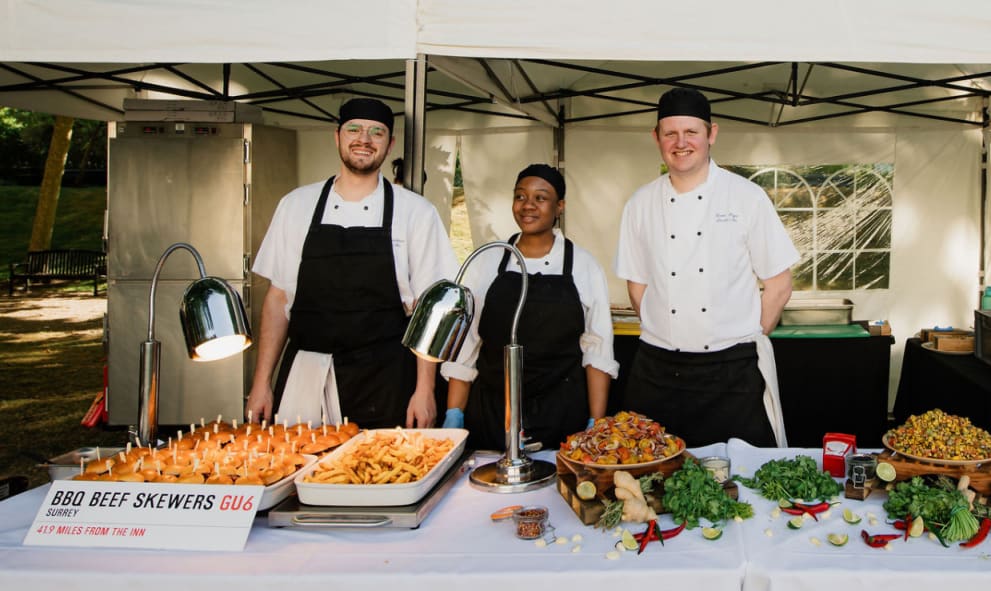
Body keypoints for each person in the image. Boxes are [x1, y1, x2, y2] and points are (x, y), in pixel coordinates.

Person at [246, 98, 459, 429]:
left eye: (376, 132)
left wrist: (425, 390)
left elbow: (428, 310)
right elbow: (278, 299)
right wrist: (262, 383)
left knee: (386, 474)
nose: (364, 140)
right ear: (337, 137)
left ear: (389, 145)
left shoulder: (416, 212)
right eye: (354, 130)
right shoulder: (296, 205)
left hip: (386, 378)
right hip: (307, 373)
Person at [614, 87, 799, 448]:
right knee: (649, 481)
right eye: (670, 133)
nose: (680, 143)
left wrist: (744, 336)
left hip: (731, 373)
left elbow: (779, 284)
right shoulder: (640, 203)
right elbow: (637, 286)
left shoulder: (746, 197)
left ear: (711, 134)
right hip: (656, 370)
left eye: (691, 132)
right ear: (657, 138)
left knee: (739, 482)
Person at [441, 164, 619, 451]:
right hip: (493, 412)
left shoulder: (584, 266)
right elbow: (467, 345)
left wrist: (595, 422)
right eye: (521, 196)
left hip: (561, 412)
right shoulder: (487, 262)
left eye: (541, 198)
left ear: (559, 206)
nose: (528, 206)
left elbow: (597, 350)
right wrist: (454, 414)